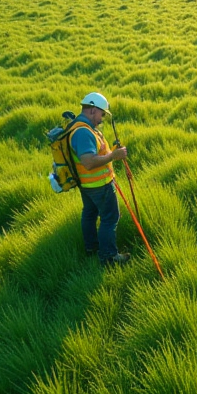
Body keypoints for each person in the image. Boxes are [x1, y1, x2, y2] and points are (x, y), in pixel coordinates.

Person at [68, 92, 130, 266]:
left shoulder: (80, 126)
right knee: (110, 218)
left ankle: (92, 248)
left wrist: (111, 152)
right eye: (102, 114)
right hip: (99, 184)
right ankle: (109, 257)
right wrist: (114, 157)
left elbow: (94, 154)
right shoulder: (83, 132)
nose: (102, 119)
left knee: (89, 214)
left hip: (87, 184)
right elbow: (88, 162)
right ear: (93, 110)